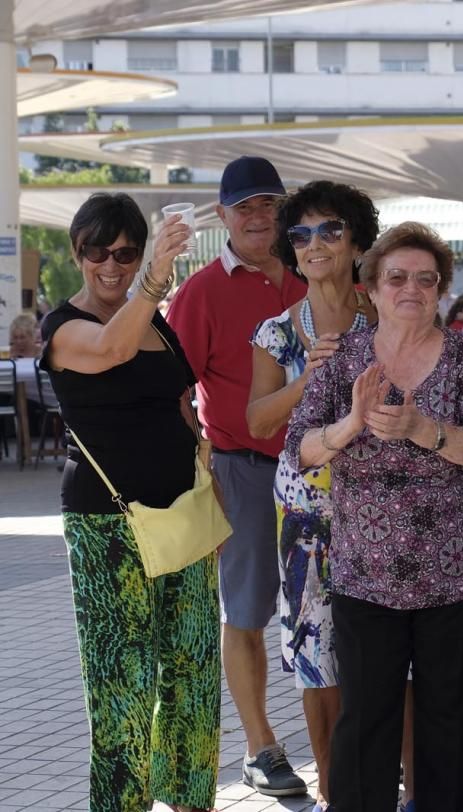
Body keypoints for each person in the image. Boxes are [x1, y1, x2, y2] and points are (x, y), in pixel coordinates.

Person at [284, 221, 463, 812]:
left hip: (459, 574)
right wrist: (349, 426)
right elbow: (298, 449)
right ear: (373, 289)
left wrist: (420, 429)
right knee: (365, 727)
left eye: (426, 279)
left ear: (439, 290)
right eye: (397, 277)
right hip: (367, 576)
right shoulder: (342, 359)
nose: (412, 287)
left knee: (453, 726)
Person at [39, 193, 220, 812]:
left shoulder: (157, 322)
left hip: (183, 520)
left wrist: (203, 460)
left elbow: (179, 401)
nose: (110, 266)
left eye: (126, 252)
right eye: (97, 252)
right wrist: (153, 279)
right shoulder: (63, 327)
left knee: (194, 677)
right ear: (76, 254)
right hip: (106, 526)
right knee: (124, 687)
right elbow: (113, 349)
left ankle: (191, 802)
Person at [167, 156, 309, 798]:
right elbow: (171, 388)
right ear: (222, 216)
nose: (259, 217)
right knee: (247, 612)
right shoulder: (200, 291)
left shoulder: (315, 274)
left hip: (325, 470)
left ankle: (347, 739)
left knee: (329, 610)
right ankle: (261, 746)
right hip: (243, 469)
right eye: (244, 206)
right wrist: (205, 466)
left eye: (269, 205)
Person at [245, 181, 380, 812]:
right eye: (299, 235)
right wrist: (313, 377)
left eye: (329, 230)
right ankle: (334, 793)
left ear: (356, 241)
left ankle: (400, 792)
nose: (314, 244)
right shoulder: (277, 332)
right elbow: (258, 422)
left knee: (393, 657)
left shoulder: (388, 320)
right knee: (316, 656)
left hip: (388, 511)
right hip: (306, 517)